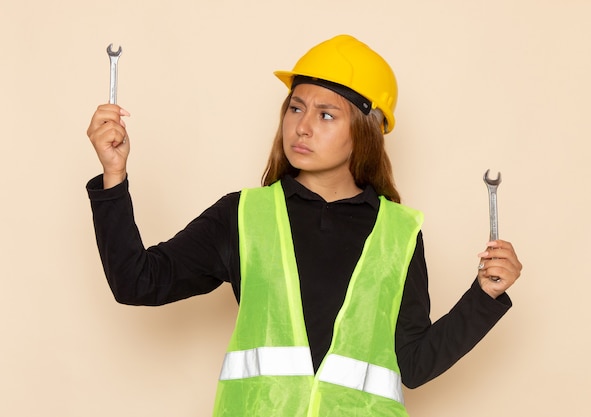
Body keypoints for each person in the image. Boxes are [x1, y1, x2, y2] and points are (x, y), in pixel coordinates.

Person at [86, 34, 522, 417]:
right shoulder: (243, 214)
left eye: (326, 115)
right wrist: (113, 177)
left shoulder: (398, 232)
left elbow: (413, 364)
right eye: (296, 108)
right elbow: (136, 281)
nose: (302, 126)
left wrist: (483, 297)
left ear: (365, 131)